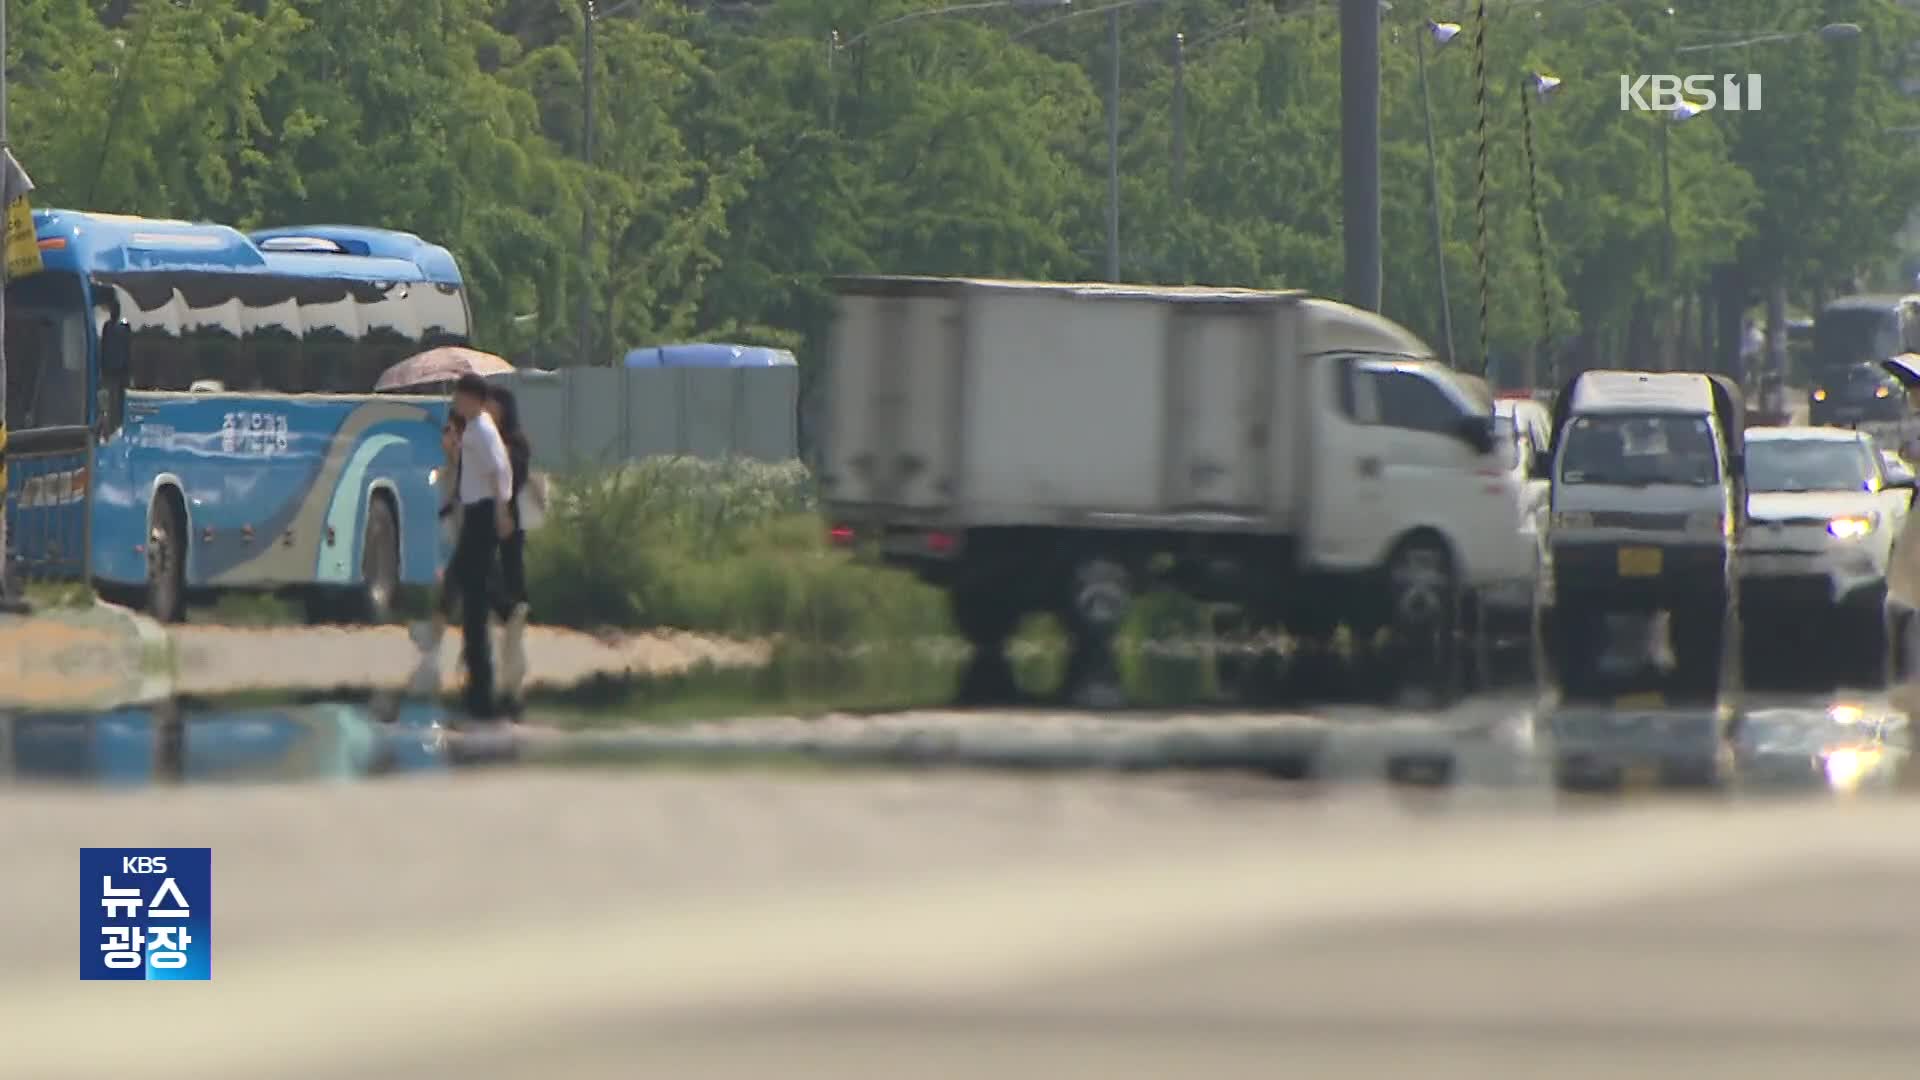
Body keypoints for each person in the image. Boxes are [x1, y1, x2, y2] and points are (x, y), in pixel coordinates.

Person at [449, 373, 515, 718]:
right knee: (471, 588)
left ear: (473, 398)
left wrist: (501, 513)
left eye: (459, 397)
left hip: (483, 512)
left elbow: (497, 473)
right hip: (477, 510)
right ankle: (503, 605)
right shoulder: (475, 427)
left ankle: (481, 693)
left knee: (472, 594)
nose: (455, 404)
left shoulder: (482, 429)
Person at [485, 385, 533, 712]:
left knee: (512, 602)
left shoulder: (516, 445)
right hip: (480, 526)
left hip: (507, 527)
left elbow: (511, 480)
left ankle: (512, 692)